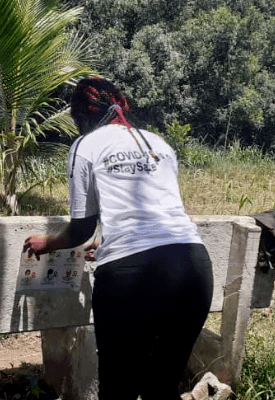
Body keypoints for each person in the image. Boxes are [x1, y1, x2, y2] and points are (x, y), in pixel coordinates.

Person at [23, 77, 213, 400]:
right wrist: (108, 240)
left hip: (131, 281)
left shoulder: (84, 147)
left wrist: (48, 242)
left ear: (83, 116)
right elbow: (153, 215)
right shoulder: (159, 145)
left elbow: (81, 229)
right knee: (160, 387)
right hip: (193, 269)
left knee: (118, 391)